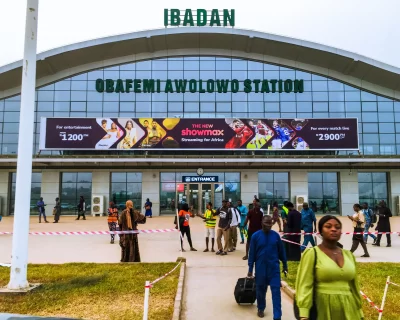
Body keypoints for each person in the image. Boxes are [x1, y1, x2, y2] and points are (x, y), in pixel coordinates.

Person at [295, 215, 364, 320]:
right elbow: (305, 284)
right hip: (322, 309)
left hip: (349, 309)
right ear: (321, 231)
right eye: (328, 226)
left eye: (337, 227)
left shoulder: (349, 255)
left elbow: (354, 286)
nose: (333, 229)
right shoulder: (312, 253)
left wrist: (359, 312)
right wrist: (304, 313)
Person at [248, 215, 288, 319]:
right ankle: (261, 308)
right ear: (262, 223)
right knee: (260, 291)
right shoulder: (255, 236)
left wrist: (285, 265)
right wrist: (250, 269)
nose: (268, 227)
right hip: (260, 269)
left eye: (270, 225)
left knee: (276, 293)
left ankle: (277, 316)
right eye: (266, 225)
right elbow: (251, 254)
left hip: (274, 269)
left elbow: (281, 252)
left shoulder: (275, 236)